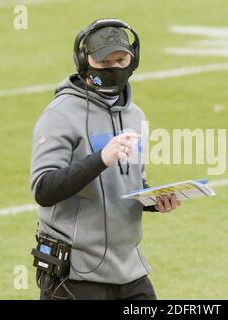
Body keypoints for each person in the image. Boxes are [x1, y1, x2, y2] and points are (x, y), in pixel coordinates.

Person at [29, 19, 180, 300]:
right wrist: (100, 159)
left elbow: (127, 182)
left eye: (120, 59)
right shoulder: (59, 115)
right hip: (76, 275)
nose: (113, 67)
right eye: (104, 61)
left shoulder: (135, 115)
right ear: (84, 62)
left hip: (129, 269)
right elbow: (44, 189)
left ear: (132, 62)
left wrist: (154, 201)